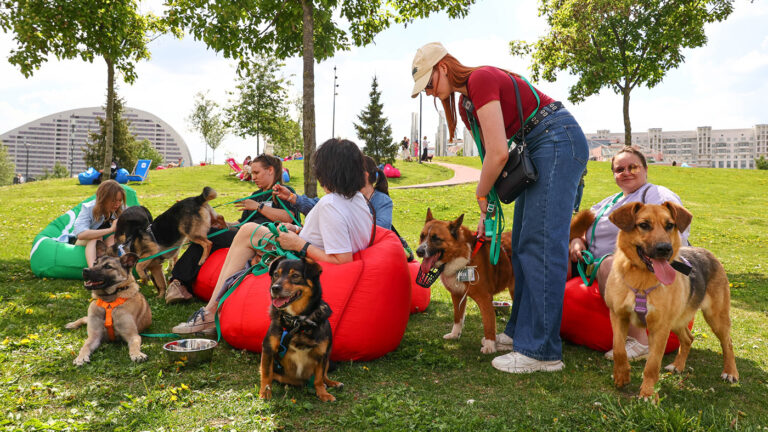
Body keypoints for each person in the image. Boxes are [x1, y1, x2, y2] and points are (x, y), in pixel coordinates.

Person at [411, 42, 588, 373]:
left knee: (539, 247)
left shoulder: (479, 81)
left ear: (443, 68)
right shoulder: (467, 101)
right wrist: (486, 208)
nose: (432, 94)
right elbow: (491, 153)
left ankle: (542, 351)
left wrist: (481, 193)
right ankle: (522, 332)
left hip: (555, 139)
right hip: (539, 144)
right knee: (520, 247)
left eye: (430, 84)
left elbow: (498, 155)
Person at [172, 139, 374, 334]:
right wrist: (297, 231)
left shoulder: (331, 204)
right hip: (301, 245)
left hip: (302, 259)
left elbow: (342, 259)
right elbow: (332, 235)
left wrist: (299, 244)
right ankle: (211, 308)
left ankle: (209, 312)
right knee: (246, 230)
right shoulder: (358, 200)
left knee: (247, 232)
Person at [568, 146, 689, 360]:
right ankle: (538, 322)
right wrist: (578, 240)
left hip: (632, 265)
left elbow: (675, 230)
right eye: (619, 169)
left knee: (610, 264)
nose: (626, 172)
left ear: (645, 169)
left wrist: (659, 258)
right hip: (587, 261)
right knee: (552, 257)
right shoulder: (610, 202)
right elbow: (586, 226)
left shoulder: (655, 194)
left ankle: (639, 340)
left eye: (633, 167)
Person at [165, 154, 299, 303]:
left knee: (208, 235)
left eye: (256, 173)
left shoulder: (283, 191)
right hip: (245, 235)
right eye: (251, 173)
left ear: (270, 170)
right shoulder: (255, 195)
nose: (252, 177)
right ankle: (180, 283)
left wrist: (258, 207)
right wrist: (224, 225)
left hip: (266, 238)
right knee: (207, 232)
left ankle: (178, 281)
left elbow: (289, 217)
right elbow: (241, 223)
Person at [72, 179, 126, 266]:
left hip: (106, 241)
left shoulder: (121, 209)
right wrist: (111, 229)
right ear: (103, 198)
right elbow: (81, 234)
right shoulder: (88, 208)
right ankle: (93, 271)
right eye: (113, 200)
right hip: (87, 241)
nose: (117, 204)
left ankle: (112, 268)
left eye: (120, 200)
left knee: (113, 238)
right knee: (97, 239)